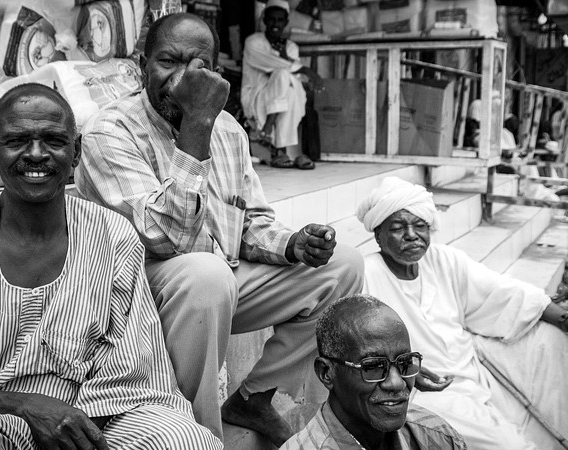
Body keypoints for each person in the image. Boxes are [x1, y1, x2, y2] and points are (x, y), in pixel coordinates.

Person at [0, 83, 222, 450]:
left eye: (54, 140)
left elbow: (131, 366)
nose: (36, 154)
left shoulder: (112, 234)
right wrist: (23, 406)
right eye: (17, 141)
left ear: (76, 151)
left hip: (98, 416)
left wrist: (77, 429)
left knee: (185, 441)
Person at [75, 12, 364, 445]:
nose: (184, 78)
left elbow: (248, 221)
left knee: (343, 265)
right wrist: (197, 124)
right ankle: (196, 434)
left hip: (215, 283)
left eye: (199, 66)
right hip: (134, 295)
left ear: (215, 72)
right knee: (206, 275)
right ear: (141, 66)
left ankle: (255, 398)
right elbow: (165, 240)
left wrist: (292, 244)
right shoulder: (110, 131)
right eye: (168, 61)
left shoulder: (229, 130)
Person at [355, 176, 568, 450]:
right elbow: (359, 347)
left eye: (420, 226)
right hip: (427, 390)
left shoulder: (444, 260)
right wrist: (403, 371)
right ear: (377, 235)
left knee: (558, 342)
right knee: (508, 445)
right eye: (397, 228)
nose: (411, 235)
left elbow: (504, 292)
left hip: (473, 365)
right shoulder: (367, 275)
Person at [281, 294, 467, 450]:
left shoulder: (438, 437)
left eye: (405, 362)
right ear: (327, 373)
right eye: (373, 366)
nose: (397, 383)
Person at [241, 0, 322, 169]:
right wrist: (306, 70)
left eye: (280, 20)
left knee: (291, 87)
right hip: (257, 96)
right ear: (265, 20)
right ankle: (286, 147)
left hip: (280, 99)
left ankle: (281, 149)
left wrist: (285, 56)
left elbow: (296, 75)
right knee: (283, 74)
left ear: (286, 22)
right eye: (271, 19)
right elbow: (277, 65)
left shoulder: (291, 47)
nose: (275, 24)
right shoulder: (253, 42)